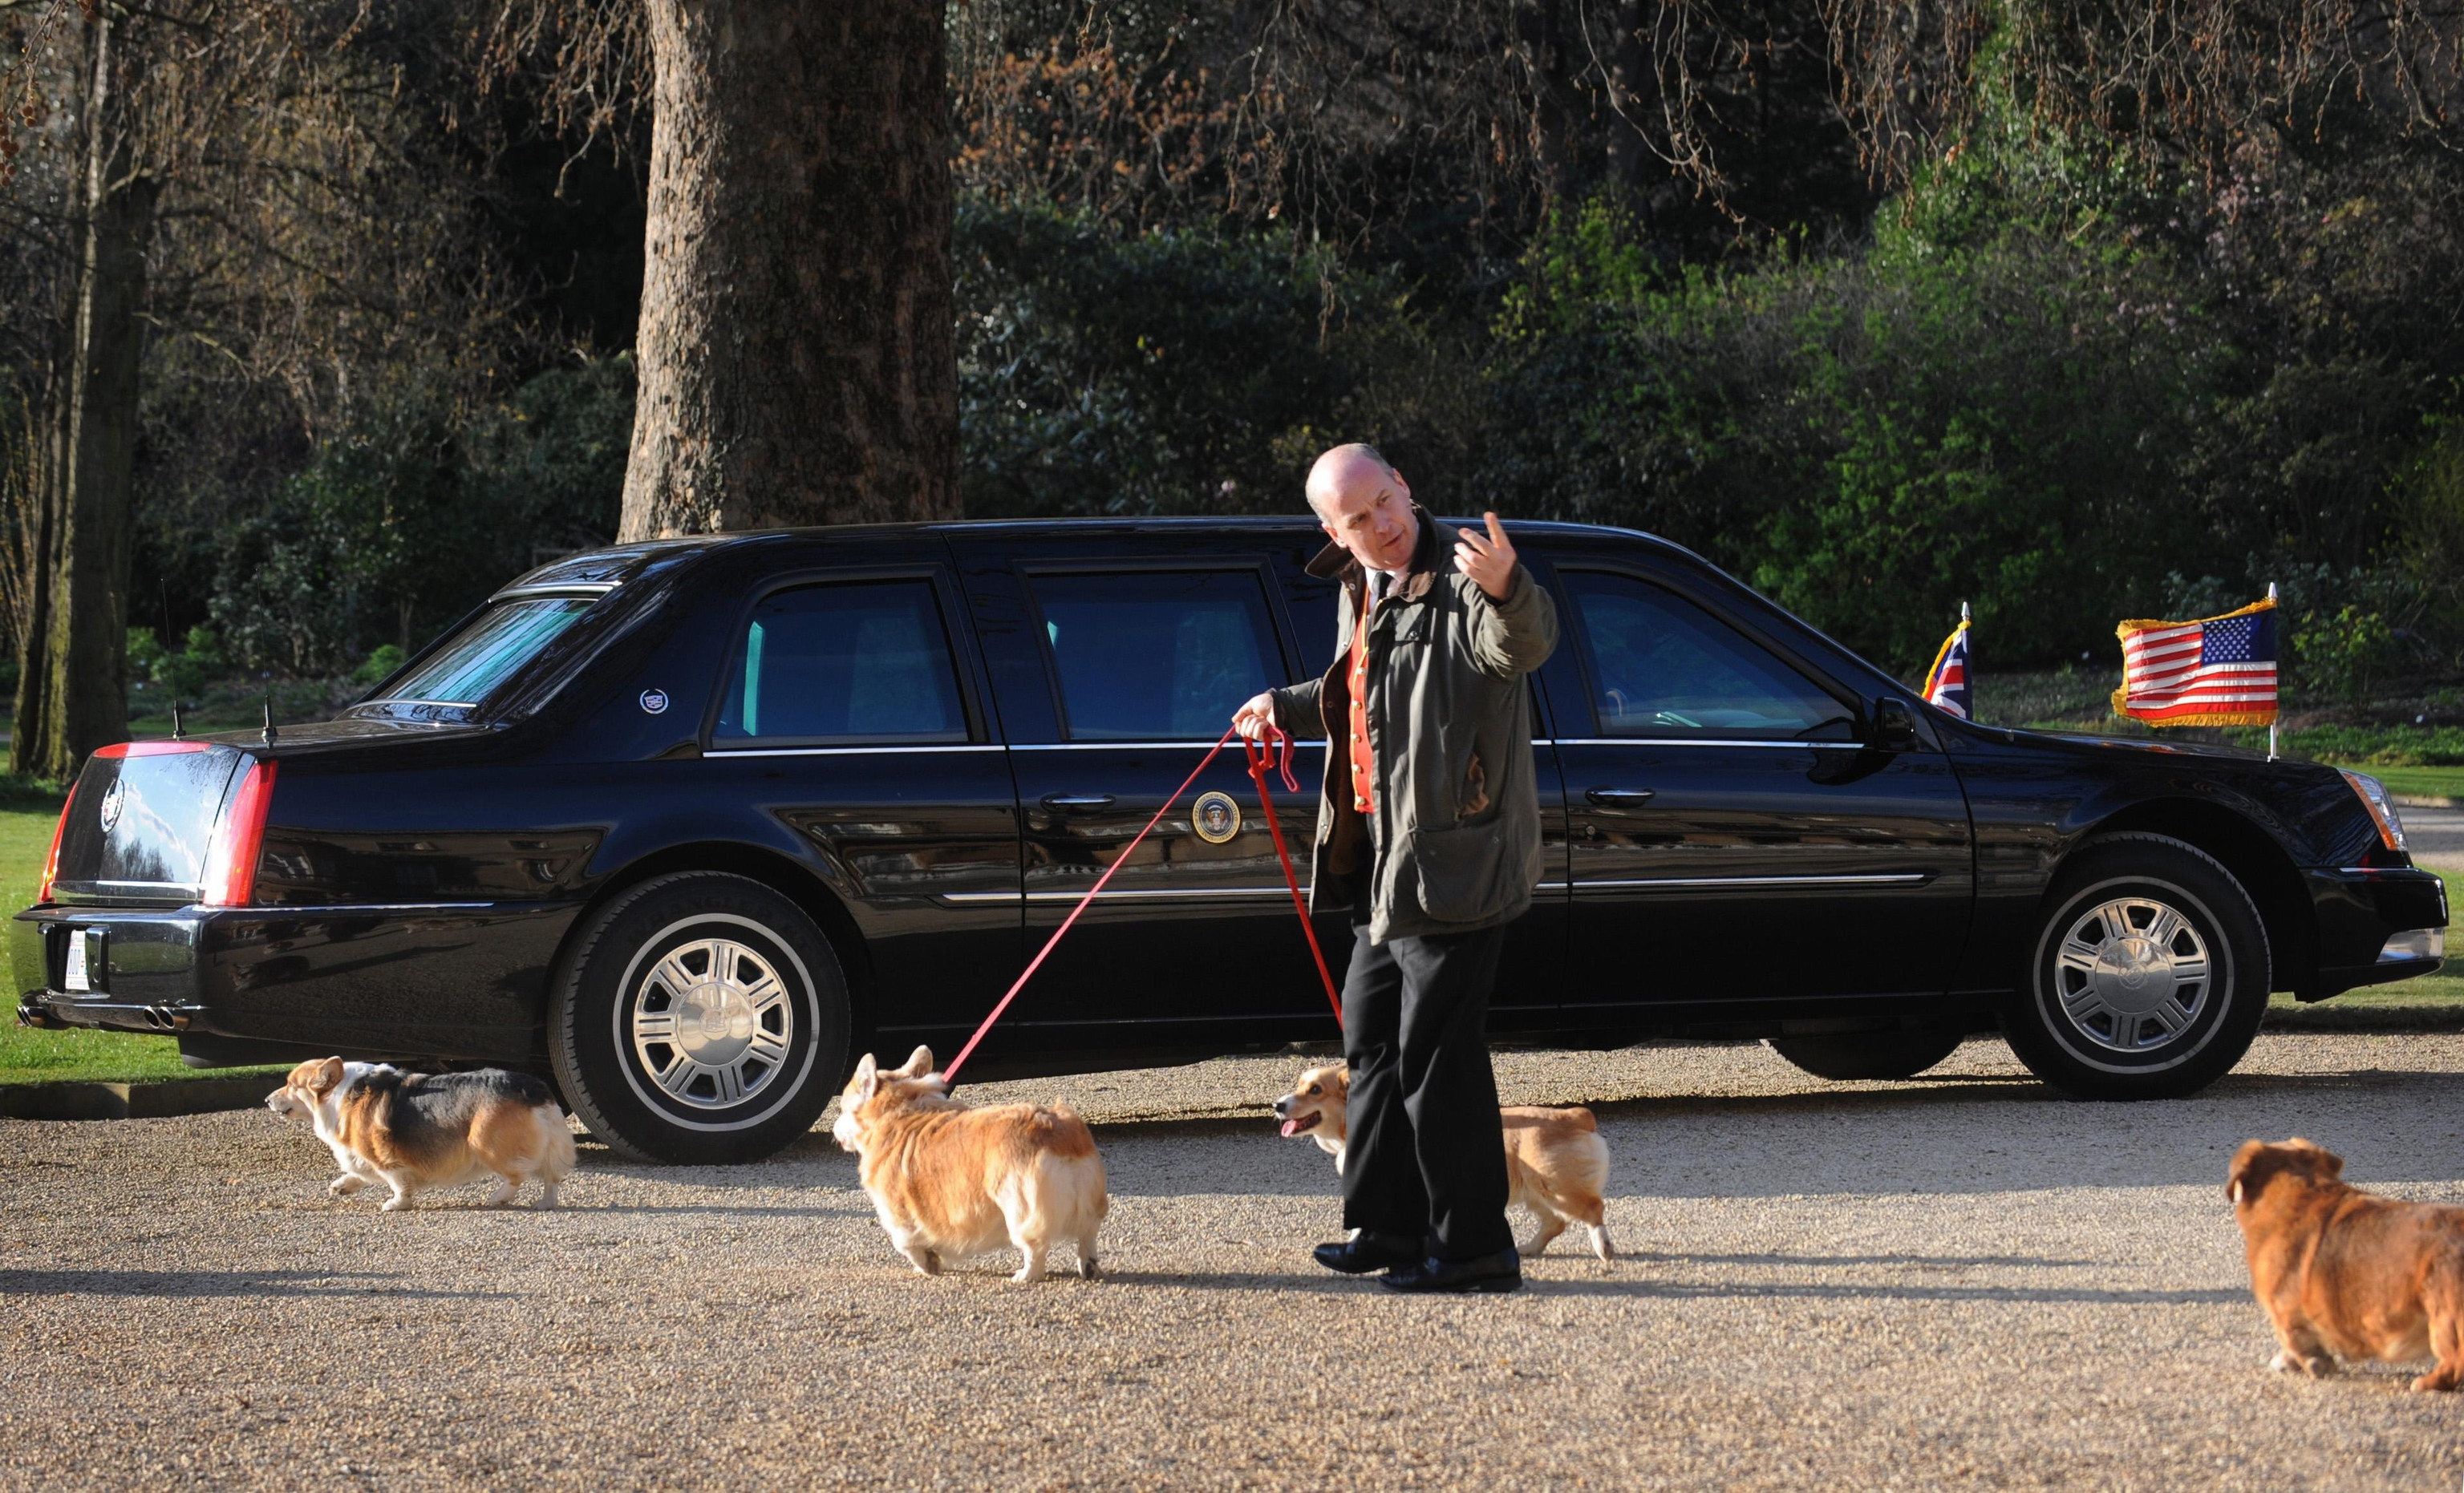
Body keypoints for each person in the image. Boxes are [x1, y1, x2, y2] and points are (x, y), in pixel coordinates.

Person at [1233, 443, 1558, 1293]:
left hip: (1455, 862)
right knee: (1369, 1044)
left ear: (1405, 487)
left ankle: (1476, 1247)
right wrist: (1283, 704)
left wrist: (1508, 587)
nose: (1380, 525)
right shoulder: (1360, 583)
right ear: (1331, 529)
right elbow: (1364, 690)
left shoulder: (1464, 578)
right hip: (1381, 859)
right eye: (1357, 517)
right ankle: (1388, 1225)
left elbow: (1521, 644)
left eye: (1385, 502)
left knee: (1436, 1058)